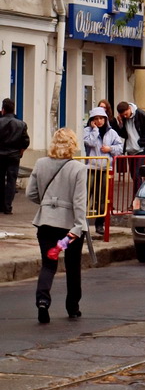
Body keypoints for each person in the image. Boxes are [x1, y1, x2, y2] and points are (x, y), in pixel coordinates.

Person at [27, 128, 88, 323]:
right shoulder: (78, 168)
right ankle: (73, 307)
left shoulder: (40, 163)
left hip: (45, 223)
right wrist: (79, 227)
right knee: (72, 266)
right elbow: (79, 203)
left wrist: (47, 206)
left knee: (48, 264)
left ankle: (43, 301)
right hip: (69, 228)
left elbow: (30, 193)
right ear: (72, 145)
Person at [82, 109, 123, 236]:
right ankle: (82, 224)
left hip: (106, 169)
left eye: (101, 118)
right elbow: (90, 143)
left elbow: (120, 148)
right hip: (91, 168)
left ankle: (100, 224)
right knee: (86, 195)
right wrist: (95, 130)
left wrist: (109, 148)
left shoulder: (111, 133)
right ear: (92, 120)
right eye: (96, 118)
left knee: (102, 197)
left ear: (105, 119)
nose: (99, 121)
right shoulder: (87, 131)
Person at [0, 97, 29, 214]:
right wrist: (20, 151)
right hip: (14, 156)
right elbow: (26, 141)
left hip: (0, 155)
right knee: (12, 181)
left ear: (3, 109)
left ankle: (1, 205)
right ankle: (7, 206)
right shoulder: (21, 124)